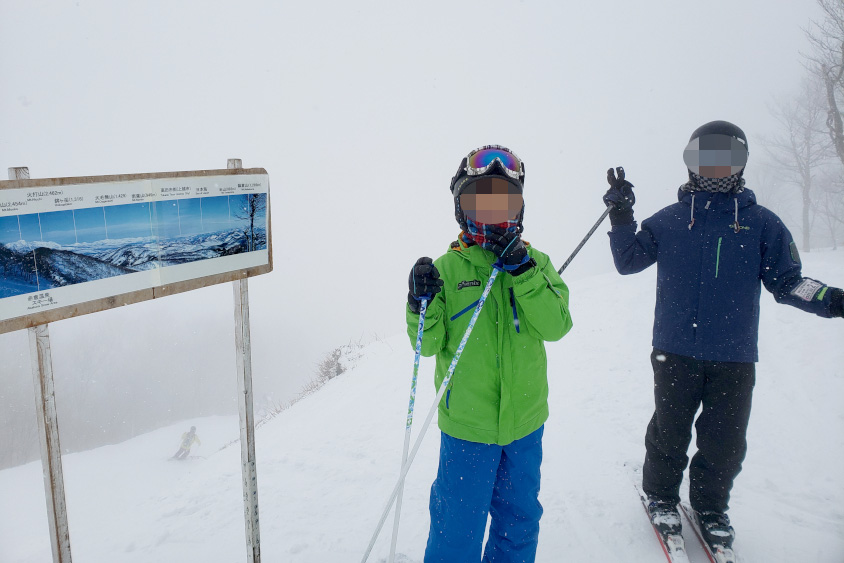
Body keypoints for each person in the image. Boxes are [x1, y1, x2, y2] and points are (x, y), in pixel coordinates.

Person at [603, 120, 844, 553]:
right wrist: (622, 216)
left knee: (726, 440)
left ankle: (710, 507)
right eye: (705, 157)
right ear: (691, 162)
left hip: (733, 356)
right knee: (670, 430)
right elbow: (628, 260)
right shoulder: (671, 221)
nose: (715, 166)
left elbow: (788, 282)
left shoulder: (762, 225)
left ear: (740, 162)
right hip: (675, 351)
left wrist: (831, 299)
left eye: (726, 157)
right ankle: (660, 496)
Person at [406, 145, 573, 563]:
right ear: (462, 208)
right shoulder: (448, 268)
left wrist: (523, 271)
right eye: (480, 201)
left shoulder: (537, 262)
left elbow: (557, 326)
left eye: (505, 201)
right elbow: (426, 344)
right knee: (457, 527)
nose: (493, 213)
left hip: (524, 424)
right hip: (468, 429)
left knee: (518, 521)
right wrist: (418, 302)